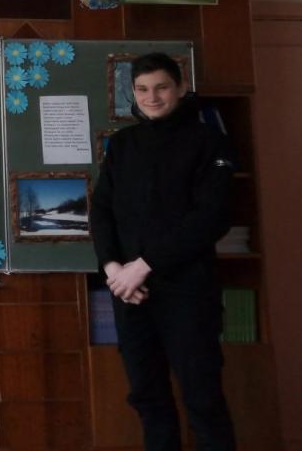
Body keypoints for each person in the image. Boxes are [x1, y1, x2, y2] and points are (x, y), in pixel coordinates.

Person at [89, 53, 236, 451]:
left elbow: (212, 218)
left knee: (203, 399)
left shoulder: (209, 141)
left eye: (161, 87)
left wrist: (144, 265)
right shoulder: (123, 145)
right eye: (142, 89)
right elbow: (101, 210)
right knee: (148, 398)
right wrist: (114, 269)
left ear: (180, 87)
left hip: (188, 292)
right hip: (130, 293)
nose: (151, 97)